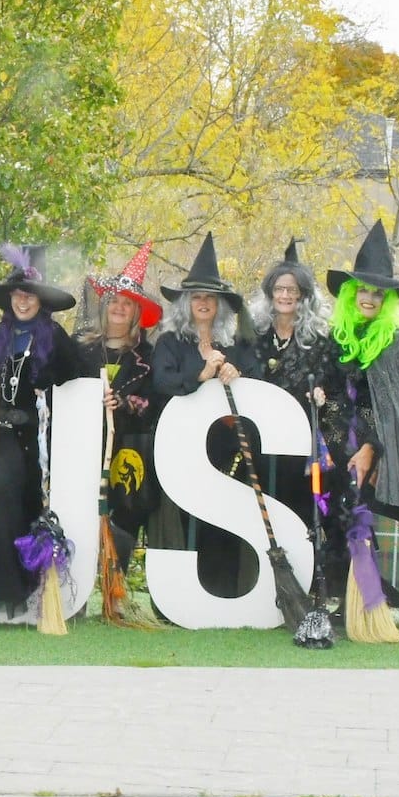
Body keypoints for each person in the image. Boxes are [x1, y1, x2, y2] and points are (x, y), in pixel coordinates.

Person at [0, 244, 90, 623]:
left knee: (28, 506)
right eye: (18, 294)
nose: (23, 301)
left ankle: (29, 592)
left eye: (30, 295)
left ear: (41, 301)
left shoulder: (54, 338)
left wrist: (50, 388)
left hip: (37, 439)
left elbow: (81, 377)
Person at [147, 233, 260, 598]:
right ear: (185, 303)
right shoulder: (168, 343)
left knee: (224, 524)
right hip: (180, 451)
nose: (203, 302)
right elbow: (161, 382)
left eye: (210, 297)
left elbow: (258, 381)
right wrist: (202, 374)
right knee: (181, 523)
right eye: (196, 296)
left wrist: (235, 374)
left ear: (220, 305)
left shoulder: (237, 345)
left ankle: (224, 592)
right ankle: (180, 599)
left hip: (227, 453)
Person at [246, 239, 348, 564]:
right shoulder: (254, 335)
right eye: (280, 289)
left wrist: (321, 395)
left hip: (301, 444)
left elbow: (334, 387)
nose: (286, 295)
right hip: (259, 442)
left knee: (301, 512)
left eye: (293, 290)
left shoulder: (321, 339)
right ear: (270, 293)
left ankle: (307, 576)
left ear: (303, 295)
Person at [324, 221, 399, 523]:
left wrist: (370, 449)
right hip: (335, 455)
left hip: (380, 461)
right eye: (362, 290)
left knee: (371, 542)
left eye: (377, 293)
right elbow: (329, 393)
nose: (368, 298)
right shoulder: (337, 338)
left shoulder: (395, 343)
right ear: (351, 294)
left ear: (387, 300)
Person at [84, 241, 163, 551]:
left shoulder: (147, 356)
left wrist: (127, 403)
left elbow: (154, 403)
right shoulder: (84, 350)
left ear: (136, 313)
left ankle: (113, 595)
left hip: (128, 454)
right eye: (114, 301)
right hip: (86, 451)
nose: (119, 307)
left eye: (127, 304)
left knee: (123, 529)